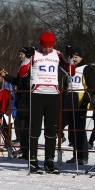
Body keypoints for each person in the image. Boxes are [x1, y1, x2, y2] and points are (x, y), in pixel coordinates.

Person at [28, 31, 65, 174]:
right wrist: (27, 58)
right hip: (37, 94)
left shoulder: (58, 54)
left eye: (50, 47)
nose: (47, 50)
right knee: (35, 129)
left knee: (51, 130)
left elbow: (71, 71)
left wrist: (68, 58)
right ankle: (32, 161)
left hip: (53, 95)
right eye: (45, 47)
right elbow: (22, 72)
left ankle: (49, 161)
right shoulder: (35, 54)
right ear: (40, 44)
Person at [65, 47, 95, 165]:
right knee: (72, 129)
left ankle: (83, 155)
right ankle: (75, 155)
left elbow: (92, 86)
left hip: (80, 98)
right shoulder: (69, 69)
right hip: (69, 98)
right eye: (72, 57)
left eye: (76, 57)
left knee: (80, 129)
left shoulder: (86, 69)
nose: (74, 59)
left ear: (81, 57)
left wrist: (87, 99)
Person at [1, 46, 34, 159]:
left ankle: (27, 150)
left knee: (24, 124)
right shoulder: (22, 67)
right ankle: (24, 148)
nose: (20, 56)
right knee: (19, 123)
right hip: (21, 99)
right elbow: (17, 82)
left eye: (22, 54)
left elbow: (25, 83)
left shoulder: (29, 67)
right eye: (19, 54)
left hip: (26, 98)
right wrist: (6, 77)